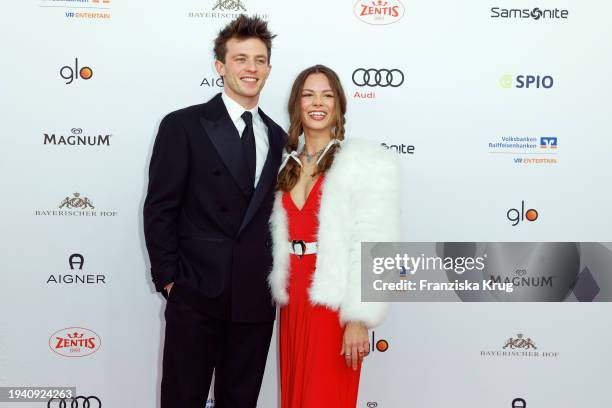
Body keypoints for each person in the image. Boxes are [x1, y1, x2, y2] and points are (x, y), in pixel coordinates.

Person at [143, 15, 286, 408]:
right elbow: (160, 208)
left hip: (254, 298)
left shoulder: (278, 137)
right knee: (182, 398)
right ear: (221, 67)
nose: (251, 68)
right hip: (196, 293)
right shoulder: (183, 125)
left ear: (269, 69)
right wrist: (170, 280)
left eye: (259, 60)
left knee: (240, 401)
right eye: (240, 59)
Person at [268, 65, 400, 407]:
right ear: (296, 104)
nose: (318, 103)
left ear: (339, 105)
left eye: (327, 95)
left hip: (334, 305)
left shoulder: (363, 162)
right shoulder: (285, 165)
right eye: (308, 94)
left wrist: (358, 317)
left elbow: (376, 243)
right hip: (294, 299)